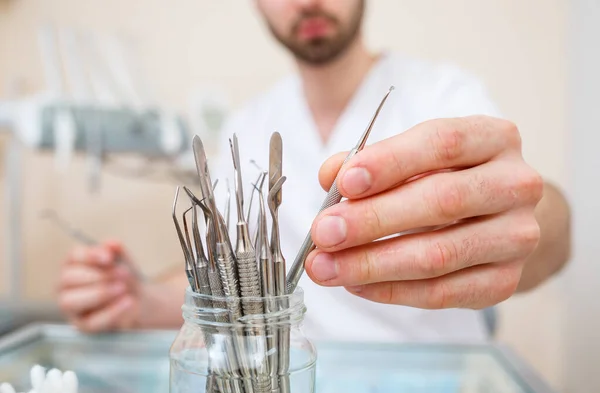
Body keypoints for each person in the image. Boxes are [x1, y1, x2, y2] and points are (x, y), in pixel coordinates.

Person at [57, 0, 571, 342]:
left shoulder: (445, 95)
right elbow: (228, 281)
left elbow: (548, 233)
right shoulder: (250, 123)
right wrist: (138, 298)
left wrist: (530, 223)